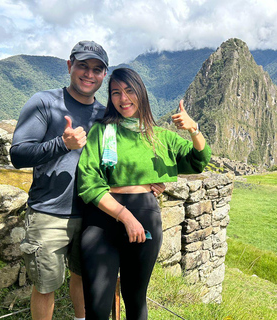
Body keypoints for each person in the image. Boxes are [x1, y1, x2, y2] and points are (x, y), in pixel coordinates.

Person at [10, 41, 165, 320]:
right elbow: (18, 155)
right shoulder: (45, 103)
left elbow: (122, 159)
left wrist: (148, 180)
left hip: (95, 214)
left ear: (103, 75)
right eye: (83, 66)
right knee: (46, 286)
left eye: (97, 69)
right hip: (49, 212)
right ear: (70, 66)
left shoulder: (107, 116)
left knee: (84, 278)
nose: (89, 74)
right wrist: (61, 144)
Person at [77, 67, 211, 319]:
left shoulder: (161, 137)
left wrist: (194, 129)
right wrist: (126, 217)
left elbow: (198, 160)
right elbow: (89, 182)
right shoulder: (102, 132)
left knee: (135, 299)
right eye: (116, 92)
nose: (123, 98)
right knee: (96, 305)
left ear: (141, 93)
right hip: (103, 217)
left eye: (129, 91)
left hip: (146, 217)